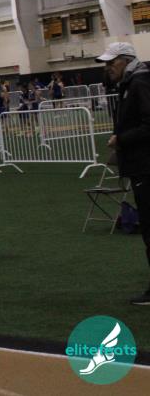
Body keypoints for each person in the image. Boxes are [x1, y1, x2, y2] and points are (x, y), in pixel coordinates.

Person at [97, 42, 150, 305]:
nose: (108, 68)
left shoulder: (139, 83)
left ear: (126, 61)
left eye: (111, 62)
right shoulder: (131, 83)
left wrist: (121, 139)